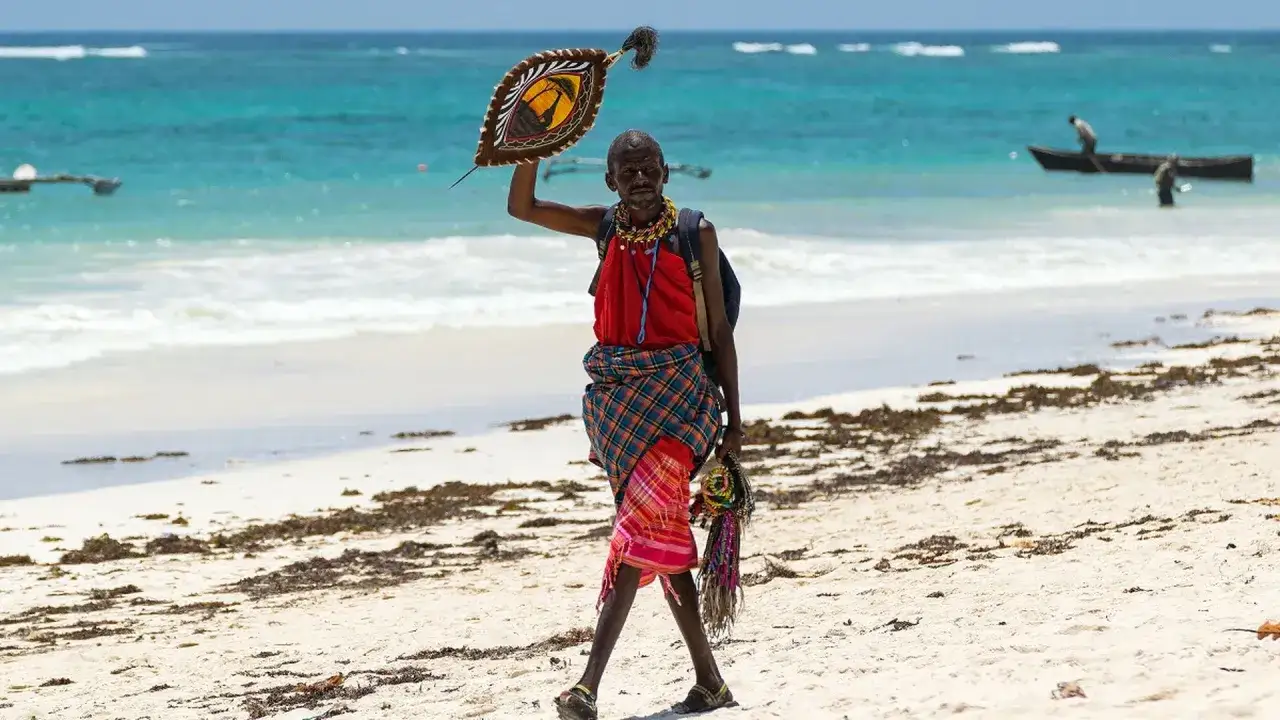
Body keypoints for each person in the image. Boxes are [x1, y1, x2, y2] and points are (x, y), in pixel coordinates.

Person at [507, 129, 742, 720]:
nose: (640, 179)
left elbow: (719, 331)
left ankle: (586, 687)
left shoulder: (696, 233)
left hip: (679, 401)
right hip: (618, 409)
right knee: (657, 531)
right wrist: (533, 147)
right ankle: (710, 682)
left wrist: (735, 421)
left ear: (666, 172)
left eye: (649, 169)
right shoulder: (604, 227)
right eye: (628, 171)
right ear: (610, 180)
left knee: (638, 537)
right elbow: (523, 208)